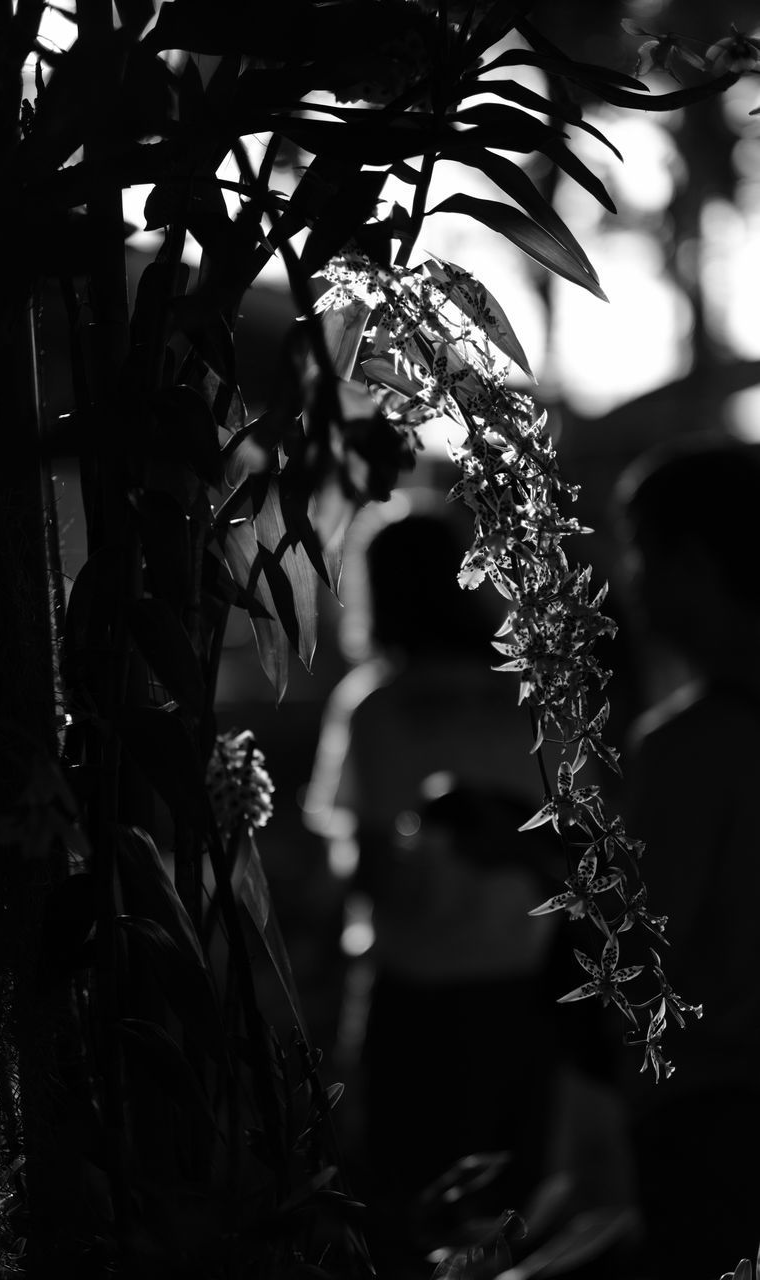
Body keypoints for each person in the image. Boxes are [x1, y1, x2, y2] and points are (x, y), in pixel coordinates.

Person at [303, 503, 567, 1265]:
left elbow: (372, 876)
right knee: (513, 1217)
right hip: (523, 992)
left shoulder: (379, 707)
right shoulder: (526, 696)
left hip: (416, 1001)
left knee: (413, 1216)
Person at [615, 435, 760, 1279]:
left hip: (711, 1111)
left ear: (692, 564)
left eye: (638, 552)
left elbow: (638, 952)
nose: (627, 580)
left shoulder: (688, 748)